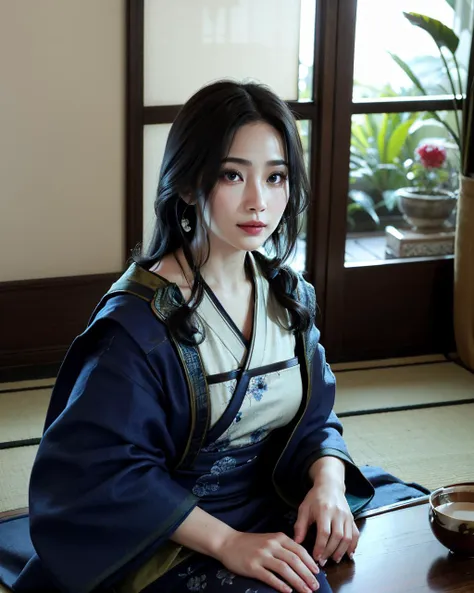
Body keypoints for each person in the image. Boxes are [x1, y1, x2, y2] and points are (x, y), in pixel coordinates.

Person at [0, 80, 377, 593]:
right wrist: (227, 542)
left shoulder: (289, 297)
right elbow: (103, 471)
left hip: (271, 509)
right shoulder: (136, 326)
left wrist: (329, 481)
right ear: (186, 184)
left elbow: (314, 417)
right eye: (231, 175)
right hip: (162, 535)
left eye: (275, 177)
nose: (258, 202)